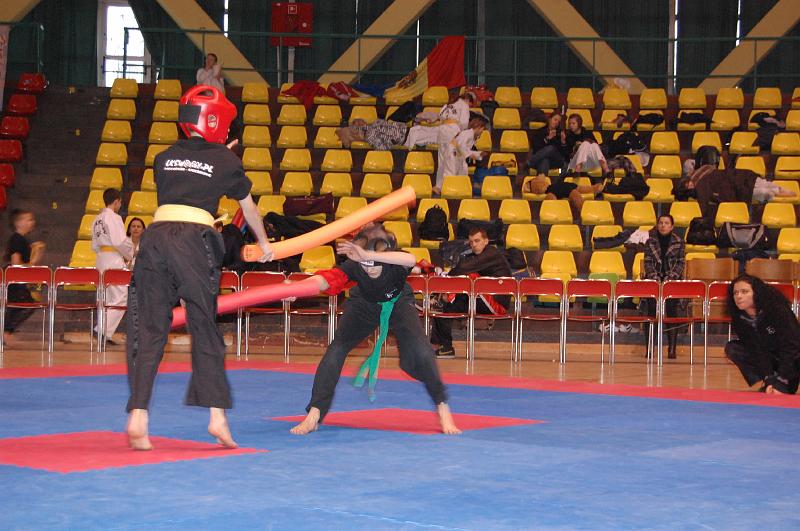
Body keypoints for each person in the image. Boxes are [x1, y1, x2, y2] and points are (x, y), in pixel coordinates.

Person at [125, 85, 274, 451]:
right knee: (203, 327)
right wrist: (265, 244)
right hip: (193, 242)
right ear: (216, 121)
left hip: (155, 239)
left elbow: (188, 180)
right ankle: (217, 417)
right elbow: (249, 208)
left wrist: (220, 156)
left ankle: (138, 416)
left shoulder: (163, 157)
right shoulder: (226, 159)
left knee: (149, 330)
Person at [287, 223, 460, 436]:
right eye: (364, 265)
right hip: (364, 305)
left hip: (398, 303)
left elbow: (410, 259)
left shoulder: (395, 261)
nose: (369, 269)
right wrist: (300, 288)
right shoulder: (356, 264)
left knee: (421, 353)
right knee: (336, 349)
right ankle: (314, 413)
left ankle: (442, 405)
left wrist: (367, 255)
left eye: (373, 264)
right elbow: (327, 279)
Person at [430, 227, 512, 359]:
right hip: (481, 298)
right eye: (471, 242)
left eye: (477, 241)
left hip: (496, 302)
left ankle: (443, 297)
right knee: (442, 307)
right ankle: (442, 347)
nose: (473, 244)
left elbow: (462, 268)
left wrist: (448, 279)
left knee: (470, 277)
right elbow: (460, 268)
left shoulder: (491, 253)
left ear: (486, 241)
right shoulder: (475, 256)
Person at [725, 274, 800, 394]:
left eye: (744, 292)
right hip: (771, 358)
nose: (739, 296)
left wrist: (782, 378)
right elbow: (757, 350)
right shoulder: (739, 320)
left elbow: (792, 346)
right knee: (733, 348)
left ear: (757, 293)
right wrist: (769, 378)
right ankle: (772, 382)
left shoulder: (778, 310)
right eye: (735, 293)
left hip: (793, 359)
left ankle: (784, 381)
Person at [92, 189, 134, 346]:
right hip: (113, 259)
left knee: (107, 298)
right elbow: (119, 241)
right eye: (120, 203)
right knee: (121, 297)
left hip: (101, 258)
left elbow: (94, 245)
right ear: (116, 201)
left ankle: (105, 333)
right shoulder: (114, 217)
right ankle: (101, 330)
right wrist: (130, 253)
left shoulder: (97, 219)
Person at [642, 214, 686, 359]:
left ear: (672, 226)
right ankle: (649, 348)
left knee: (672, 311)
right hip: (654, 280)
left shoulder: (679, 242)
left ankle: (672, 349)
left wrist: (669, 278)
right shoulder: (650, 241)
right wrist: (655, 278)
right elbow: (647, 262)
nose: (663, 225)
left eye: (666, 223)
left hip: (672, 281)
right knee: (651, 312)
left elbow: (680, 263)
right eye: (660, 223)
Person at [3, 209, 45, 347]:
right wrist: (33, 261)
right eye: (28, 219)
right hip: (15, 280)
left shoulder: (21, 239)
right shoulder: (17, 239)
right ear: (18, 223)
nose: (32, 222)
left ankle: (6, 332)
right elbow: (16, 263)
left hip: (17, 279)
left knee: (19, 306)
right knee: (24, 304)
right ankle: (6, 332)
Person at [434, 92, 477, 193]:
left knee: (442, 159)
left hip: (442, 130)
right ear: (468, 100)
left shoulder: (448, 104)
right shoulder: (464, 105)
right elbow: (464, 123)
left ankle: (439, 186)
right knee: (453, 159)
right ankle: (452, 186)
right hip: (453, 130)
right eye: (470, 104)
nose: (469, 106)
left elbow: (440, 115)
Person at [524, 112, 567, 177]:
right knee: (544, 161)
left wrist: (563, 142)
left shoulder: (560, 133)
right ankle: (542, 182)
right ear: (549, 119)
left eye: (558, 122)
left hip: (557, 162)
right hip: (540, 160)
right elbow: (536, 148)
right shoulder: (539, 131)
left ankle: (529, 163)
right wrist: (547, 138)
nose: (556, 123)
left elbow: (564, 153)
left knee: (551, 148)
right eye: (555, 120)